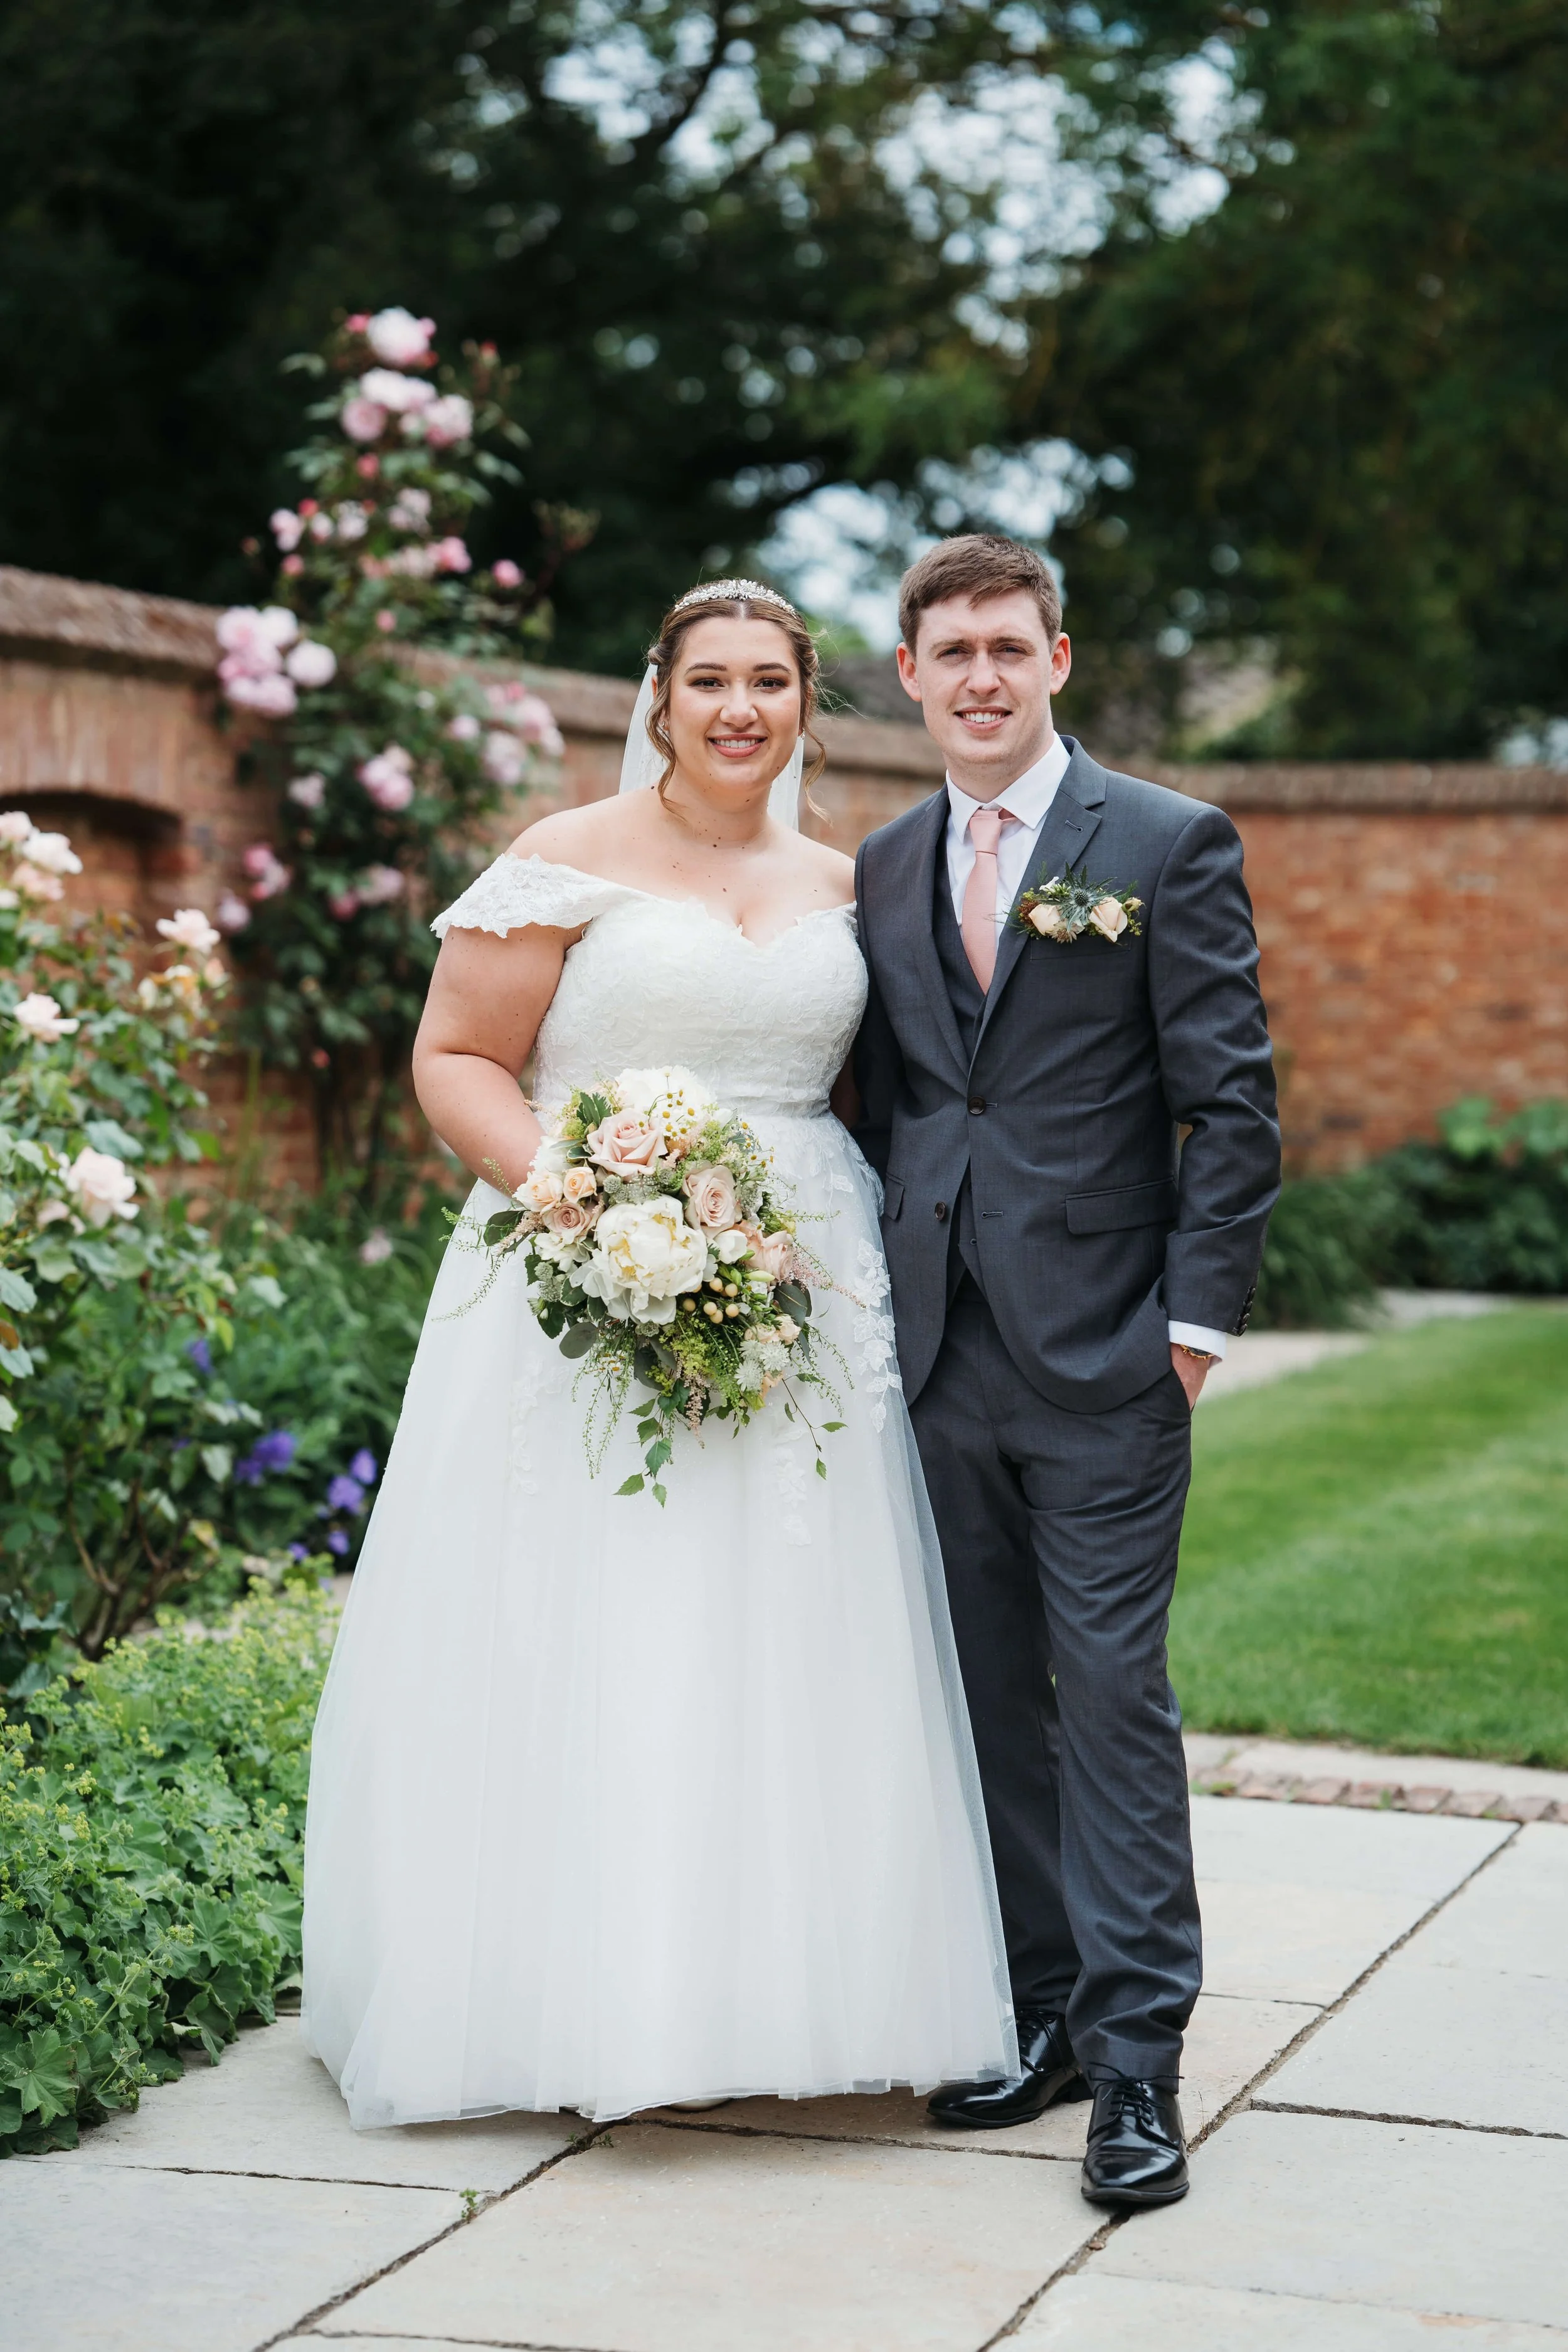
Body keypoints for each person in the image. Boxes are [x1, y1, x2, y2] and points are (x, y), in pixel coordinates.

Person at [300, 580, 1017, 2129]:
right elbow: (457, 1057)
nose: (740, 709)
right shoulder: (562, 861)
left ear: (808, 706)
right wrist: (585, 1208)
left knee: (789, 1620)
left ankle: (778, 1993)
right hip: (574, 1264)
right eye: (710, 682)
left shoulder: (854, 884)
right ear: (660, 695)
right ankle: (564, 2002)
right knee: (591, 1609)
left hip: (800, 1280)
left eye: (770, 681)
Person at [854, 534, 1280, 2208]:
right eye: (948, 648)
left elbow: (1228, 1104)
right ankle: (1040, 2012)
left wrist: (1190, 1328)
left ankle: (1134, 2070)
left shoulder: (1162, 841)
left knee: (1107, 1703)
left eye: (1005, 647)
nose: (977, 675)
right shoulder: (883, 863)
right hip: (937, 1351)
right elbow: (889, 1098)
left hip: (1106, 1355)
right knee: (989, 1709)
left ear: (1056, 659)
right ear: (907, 672)